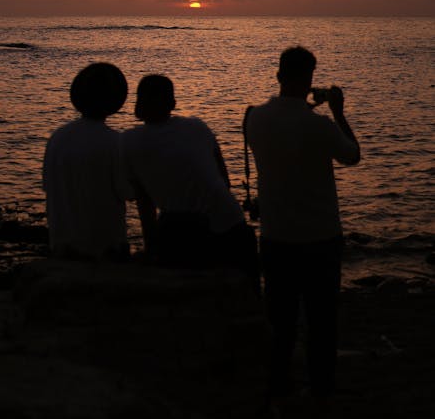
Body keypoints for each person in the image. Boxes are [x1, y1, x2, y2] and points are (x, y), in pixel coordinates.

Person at [245, 46, 360, 409]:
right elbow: (351, 155)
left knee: (280, 320)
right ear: (310, 79)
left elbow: (285, 129)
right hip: (320, 236)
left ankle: (280, 385)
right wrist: (338, 113)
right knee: (322, 321)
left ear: (279, 75)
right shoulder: (320, 125)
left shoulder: (254, 119)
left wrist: (309, 109)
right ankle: (321, 389)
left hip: (277, 236)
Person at [122, 74, 259, 287]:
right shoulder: (197, 126)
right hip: (232, 225)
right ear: (173, 103)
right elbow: (224, 180)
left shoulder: (128, 141)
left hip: (186, 231)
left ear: (139, 103)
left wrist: (151, 251)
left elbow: (144, 202)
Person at [42, 62, 130, 261]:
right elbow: (127, 192)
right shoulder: (116, 143)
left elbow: (48, 185)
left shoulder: (57, 138)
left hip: (62, 247)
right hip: (105, 248)